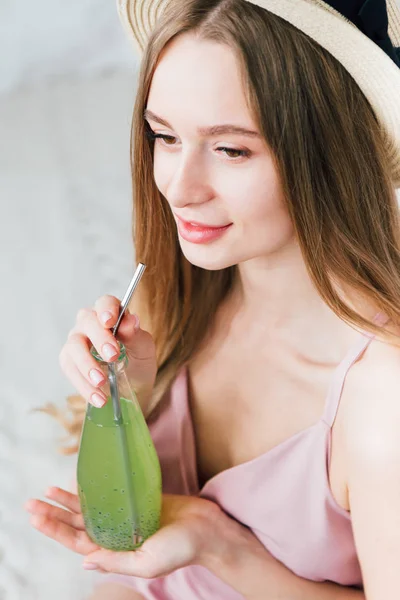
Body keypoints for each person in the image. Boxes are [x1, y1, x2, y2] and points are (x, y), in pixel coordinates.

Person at [25, 0, 400, 598]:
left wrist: (217, 543)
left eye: (230, 149)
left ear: (330, 155)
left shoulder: (383, 397)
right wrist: (125, 401)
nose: (178, 185)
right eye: (165, 136)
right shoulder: (186, 293)